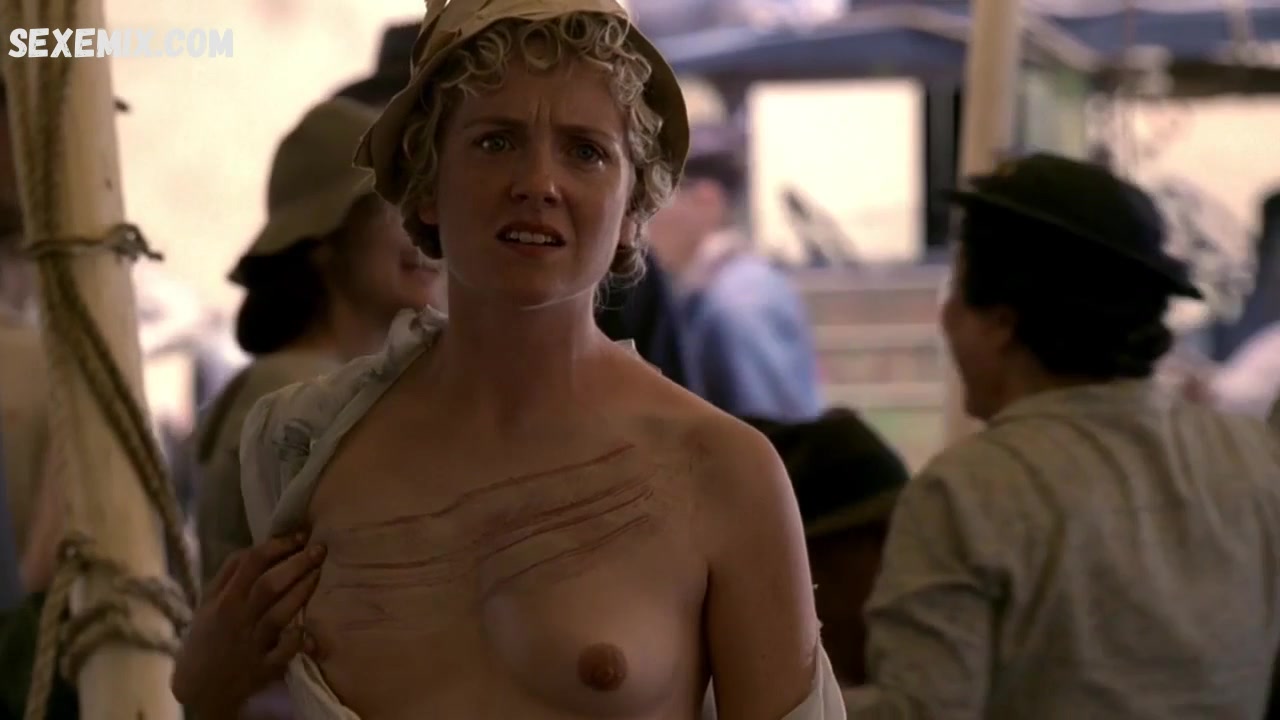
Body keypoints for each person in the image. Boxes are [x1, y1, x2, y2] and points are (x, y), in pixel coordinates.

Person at [171, 1, 844, 718]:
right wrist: (204, 690)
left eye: (586, 151)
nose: (538, 183)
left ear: (631, 211)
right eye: (496, 142)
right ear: (426, 186)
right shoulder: (304, 450)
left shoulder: (723, 473)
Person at [844, 154, 1280, 718]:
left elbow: (924, 711)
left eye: (955, 292)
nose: (945, 317)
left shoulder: (967, 492)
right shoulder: (1253, 459)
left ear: (999, 323)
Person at [193, 96, 441, 587]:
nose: (425, 227)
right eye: (393, 204)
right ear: (324, 240)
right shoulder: (296, 396)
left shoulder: (328, 387)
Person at [646, 117, 823, 422]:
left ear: (705, 201)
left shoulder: (740, 302)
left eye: (652, 201)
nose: (641, 221)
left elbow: (774, 431)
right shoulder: (716, 289)